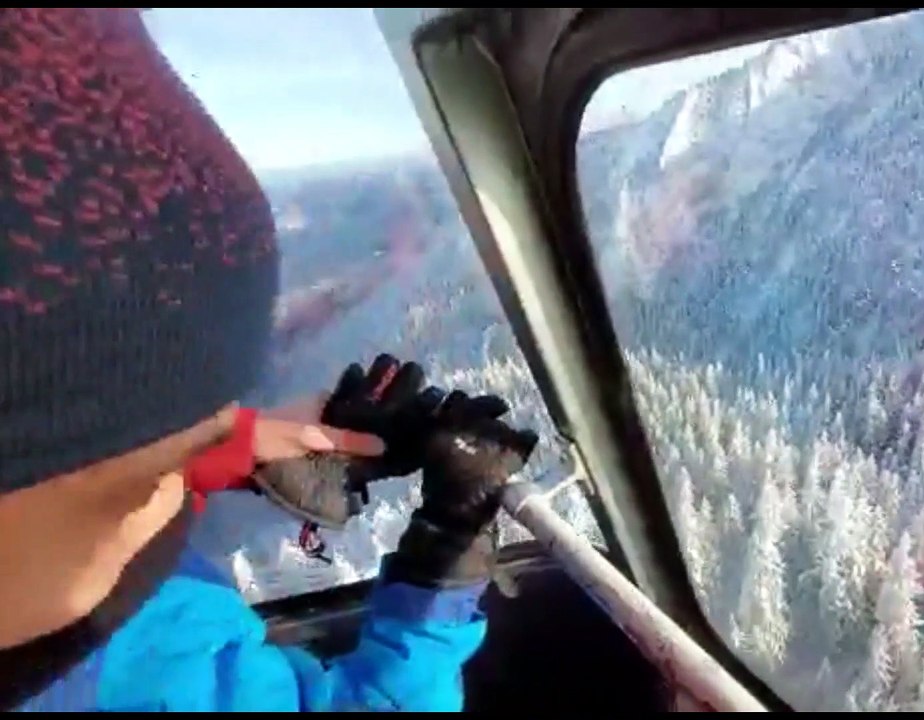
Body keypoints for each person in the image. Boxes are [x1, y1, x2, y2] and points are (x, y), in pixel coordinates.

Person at [0, 7, 536, 711]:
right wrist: (446, 551)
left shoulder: (53, 581)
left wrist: (243, 452)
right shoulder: (143, 689)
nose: (185, 492)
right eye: (153, 476)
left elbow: (74, 477)